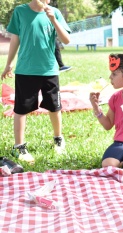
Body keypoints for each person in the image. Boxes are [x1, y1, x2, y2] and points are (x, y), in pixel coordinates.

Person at [1, 0, 71, 163]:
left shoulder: (55, 13)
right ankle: (19, 146)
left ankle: (58, 139)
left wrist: (53, 20)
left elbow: (66, 40)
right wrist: (9, 63)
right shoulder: (20, 12)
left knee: (55, 106)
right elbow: (15, 39)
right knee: (21, 108)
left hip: (49, 69)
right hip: (26, 69)